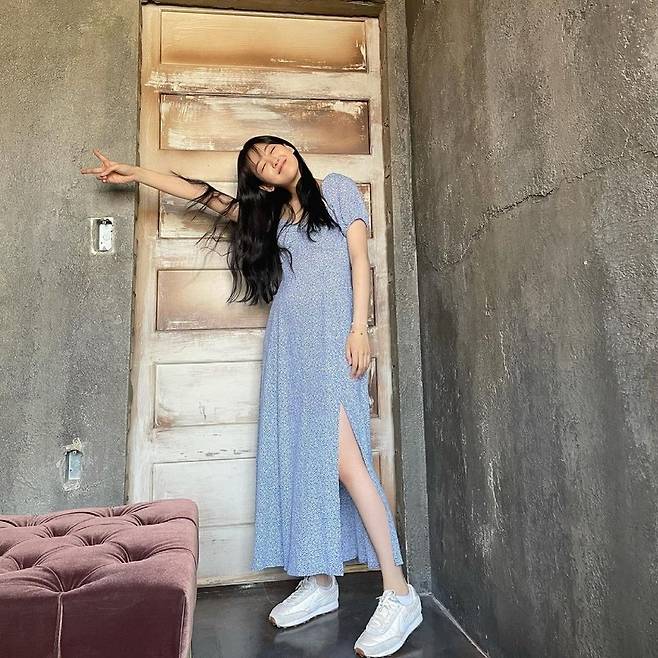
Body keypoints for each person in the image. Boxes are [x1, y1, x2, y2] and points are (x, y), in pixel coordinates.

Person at [81, 136, 423, 657]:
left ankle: (399, 592)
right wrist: (135, 172)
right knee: (303, 462)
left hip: (332, 342)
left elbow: (360, 260)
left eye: (272, 148)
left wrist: (360, 329)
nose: (270, 159)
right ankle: (321, 579)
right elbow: (201, 194)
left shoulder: (337, 189)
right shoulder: (271, 218)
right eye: (259, 163)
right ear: (260, 182)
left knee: (348, 466)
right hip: (288, 347)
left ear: (291, 149)